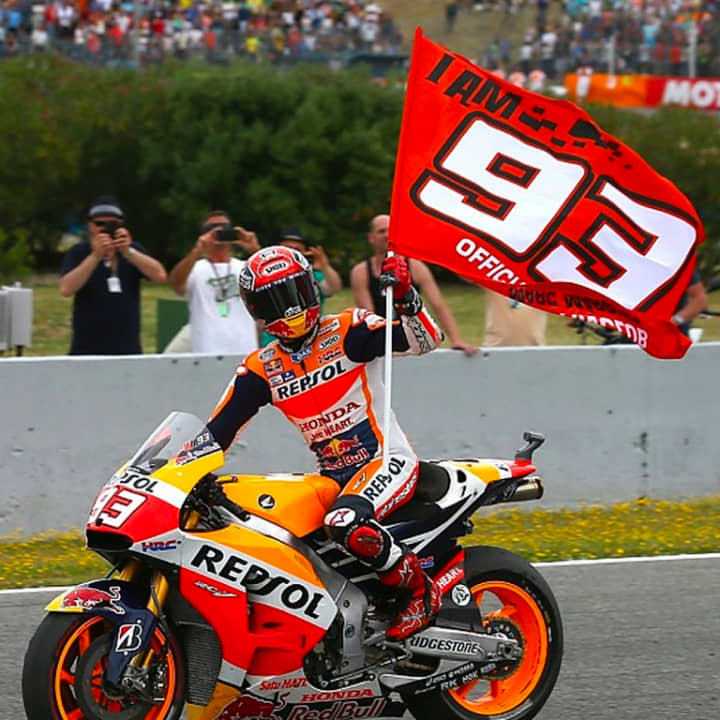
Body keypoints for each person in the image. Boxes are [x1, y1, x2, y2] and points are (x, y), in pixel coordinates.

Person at [207, 246, 443, 640]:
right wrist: (173, 473)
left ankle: (420, 592)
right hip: (332, 478)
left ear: (311, 287)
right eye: (275, 300)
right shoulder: (261, 368)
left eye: (295, 292)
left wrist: (406, 297)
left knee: (343, 522)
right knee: (281, 534)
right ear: (257, 310)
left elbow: (427, 340)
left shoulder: (349, 329)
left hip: (385, 461)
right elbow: (217, 432)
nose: (291, 308)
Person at [349, 214, 478, 356]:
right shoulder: (361, 272)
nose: (386, 235)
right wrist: (383, 348)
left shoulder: (416, 267)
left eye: (390, 230)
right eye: (381, 231)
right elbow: (369, 317)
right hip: (383, 342)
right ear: (371, 238)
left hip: (413, 336)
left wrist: (456, 340)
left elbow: (438, 305)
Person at [59, 196, 167, 355]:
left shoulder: (133, 250)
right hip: (87, 346)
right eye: (99, 224)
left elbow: (160, 276)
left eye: (112, 224)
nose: (105, 229)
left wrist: (128, 252)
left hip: (127, 345)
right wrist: (95, 256)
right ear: (90, 225)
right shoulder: (79, 252)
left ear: (121, 224)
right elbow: (66, 289)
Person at [168, 210, 261, 355]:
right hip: (206, 354)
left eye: (225, 227)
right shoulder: (195, 268)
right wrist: (197, 251)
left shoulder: (246, 267)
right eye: (212, 228)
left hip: (245, 353)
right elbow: (176, 285)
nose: (219, 230)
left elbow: (274, 281)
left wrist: (255, 250)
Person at [259, 225, 342, 346]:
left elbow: (332, 289)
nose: (291, 253)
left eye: (297, 250)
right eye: (287, 248)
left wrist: (324, 266)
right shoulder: (266, 278)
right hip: (275, 342)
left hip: (311, 341)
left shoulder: (312, 275)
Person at [672, 268, 708, 338]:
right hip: (648, 334)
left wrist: (675, 320)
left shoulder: (680, 266)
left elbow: (700, 301)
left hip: (673, 335)